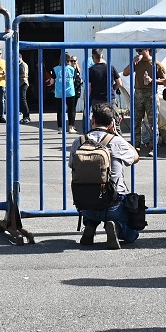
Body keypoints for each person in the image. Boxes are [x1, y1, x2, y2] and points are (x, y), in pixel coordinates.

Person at [70, 103, 143, 248]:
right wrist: (118, 135)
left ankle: (90, 225)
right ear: (111, 124)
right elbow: (135, 157)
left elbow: (72, 165)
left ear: (92, 120)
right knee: (132, 234)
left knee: (92, 200)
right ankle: (117, 227)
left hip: (86, 205)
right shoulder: (116, 141)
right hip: (112, 205)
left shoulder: (79, 141)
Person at [131, 48, 166, 148]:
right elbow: (125, 73)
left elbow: (165, 81)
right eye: (137, 51)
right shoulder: (137, 63)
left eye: (140, 50)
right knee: (136, 121)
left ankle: (153, 147)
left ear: (147, 50)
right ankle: (136, 146)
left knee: (153, 123)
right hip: (138, 93)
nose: (139, 53)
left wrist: (152, 80)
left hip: (150, 94)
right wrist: (133, 62)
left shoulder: (156, 64)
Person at [51, 54, 81, 132]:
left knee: (60, 110)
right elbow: (73, 79)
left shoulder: (55, 69)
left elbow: (52, 81)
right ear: (68, 60)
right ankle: (71, 127)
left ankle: (60, 128)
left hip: (59, 92)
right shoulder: (72, 69)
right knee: (71, 110)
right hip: (70, 92)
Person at [86, 49, 121, 114]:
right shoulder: (111, 68)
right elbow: (119, 83)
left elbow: (89, 89)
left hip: (97, 100)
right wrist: (112, 88)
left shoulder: (91, 70)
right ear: (102, 56)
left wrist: (87, 105)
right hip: (110, 98)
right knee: (112, 118)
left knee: (99, 119)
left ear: (93, 58)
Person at [17, 55, 32, 123]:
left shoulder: (23, 65)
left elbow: (24, 75)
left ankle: (26, 116)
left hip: (23, 83)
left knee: (23, 99)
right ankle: (23, 114)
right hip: (19, 83)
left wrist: (15, 75)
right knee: (20, 99)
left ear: (20, 57)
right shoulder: (18, 64)